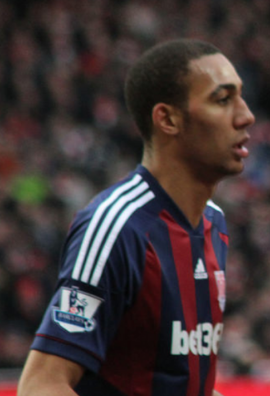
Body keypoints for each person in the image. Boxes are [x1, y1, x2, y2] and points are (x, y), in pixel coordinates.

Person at [17, 39, 255, 396]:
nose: (246, 115)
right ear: (168, 119)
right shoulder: (116, 227)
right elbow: (41, 385)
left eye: (241, 96)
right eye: (222, 99)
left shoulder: (214, 223)